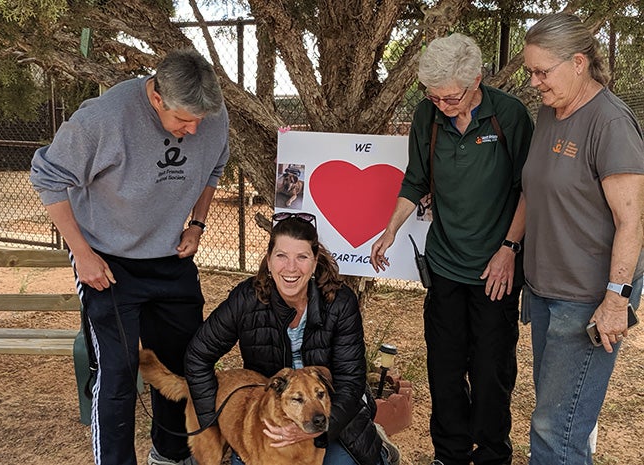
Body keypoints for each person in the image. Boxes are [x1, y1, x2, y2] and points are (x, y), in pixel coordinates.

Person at [30, 48, 230, 465]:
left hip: (169, 256)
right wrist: (81, 253)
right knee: (119, 373)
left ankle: (171, 455)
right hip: (106, 259)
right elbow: (47, 176)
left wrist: (198, 225)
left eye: (199, 120)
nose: (193, 130)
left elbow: (214, 168)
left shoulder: (209, 115)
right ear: (157, 97)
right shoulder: (103, 118)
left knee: (185, 364)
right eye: (183, 121)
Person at [370, 33, 534, 465]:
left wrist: (510, 249)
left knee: (490, 371)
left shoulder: (510, 116)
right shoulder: (428, 115)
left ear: (477, 80)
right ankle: (450, 454)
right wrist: (389, 230)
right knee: (444, 368)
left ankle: (492, 453)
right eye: (434, 97)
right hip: (444, 266)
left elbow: (528, 190)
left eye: (451, 97)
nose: (442, 105)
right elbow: (415, 179)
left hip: (495, 269)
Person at [522, 13, 644, 465]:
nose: (534, 82)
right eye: (530, 71)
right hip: (545, 291)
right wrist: (510, 247)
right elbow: (532, 188)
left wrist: (616, 299)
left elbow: (633, 221)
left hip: (586, 300)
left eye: (541, 71)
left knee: (558, 432)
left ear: (578, 62)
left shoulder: (610, 123)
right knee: (557, 420)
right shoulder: (550, 112)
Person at [185, 212, 400, 465]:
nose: (290, 268)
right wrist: (213, 422)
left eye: (302, 257)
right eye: (281, 256)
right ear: (269, 259)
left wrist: (318, 431)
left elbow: (350, 383)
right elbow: (197, 356)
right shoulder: (247, 299)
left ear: (315, 260)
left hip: (331, 412)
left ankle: (381, 449)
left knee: (349, 459)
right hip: (273, 411)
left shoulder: (340, 303)